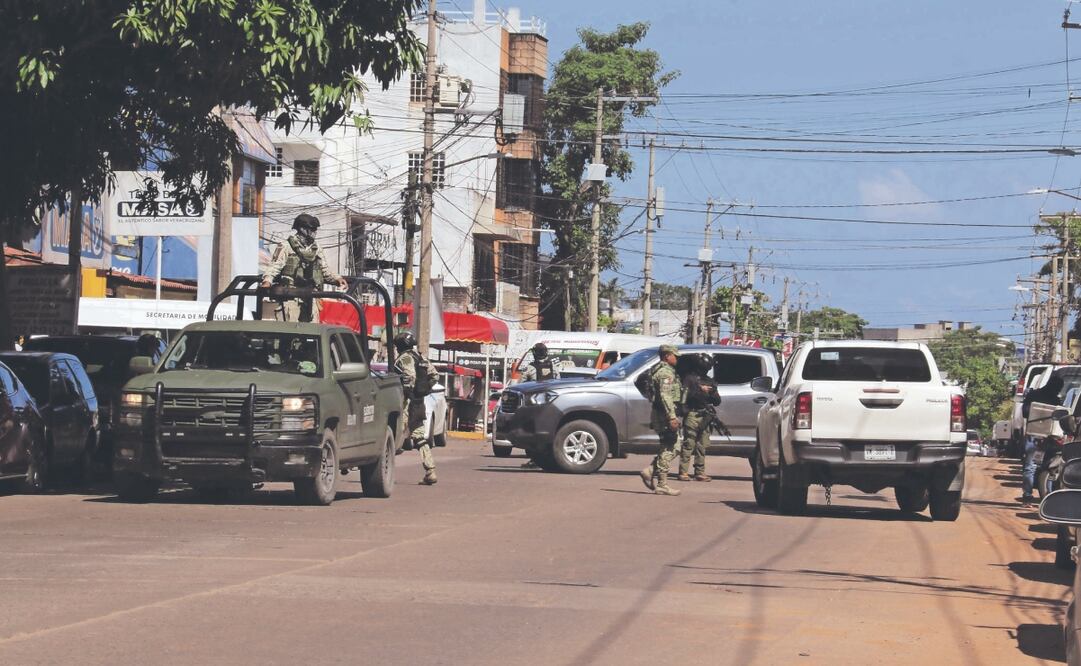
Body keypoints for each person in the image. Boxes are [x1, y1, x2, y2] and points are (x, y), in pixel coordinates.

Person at [261, 213, 347, 322]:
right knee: (289, 333)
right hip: (291, 296)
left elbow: (325, 270)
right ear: (302, 229)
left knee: (312, 334)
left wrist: (337, 279)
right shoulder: (286, 246)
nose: (315, 232)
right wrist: (267, 281)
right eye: (312, 229)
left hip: (311, 297)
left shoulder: (317, 248)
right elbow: (275, 265)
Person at [394, 330, 440, 485]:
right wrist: (424, 390)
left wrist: (407, 392)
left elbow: (410, 376)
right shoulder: (421, 357)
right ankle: (430, 470)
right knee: (420, 438)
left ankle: (382, 472)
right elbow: (434, 375)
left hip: (406, 403)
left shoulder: (405, 358)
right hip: (419, 402)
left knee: (393, 435)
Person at [639, 345, 684, 496]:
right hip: (664, 415)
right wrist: (671, 416)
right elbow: (666, 396)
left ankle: (651, 470)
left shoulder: (659, 370)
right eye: (674, 355)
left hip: (661, 413)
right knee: (672, 447)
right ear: (667, 356)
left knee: (669, 446)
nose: (676, 358)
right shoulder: (665, 373)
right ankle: (662, 484)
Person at [1021, 372, 1065, 504]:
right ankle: (1048, 496)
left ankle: (1027, 495)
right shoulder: (1056, 400)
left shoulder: (1033, 395)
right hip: (1049, 437)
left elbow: (1024, 413)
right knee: (1049, 467)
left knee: (1030, 466)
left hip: (1033, 434)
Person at [677, 353, 721, 482]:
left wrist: (711, 392)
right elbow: (684, 397)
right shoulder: (689, 379)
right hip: (692, 414)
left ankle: (699, 472)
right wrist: (699, 390)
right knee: (688, 444)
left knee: (702, 445)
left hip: (705, 415)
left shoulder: (709, 381)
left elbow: (717, 401)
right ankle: (683, 472)